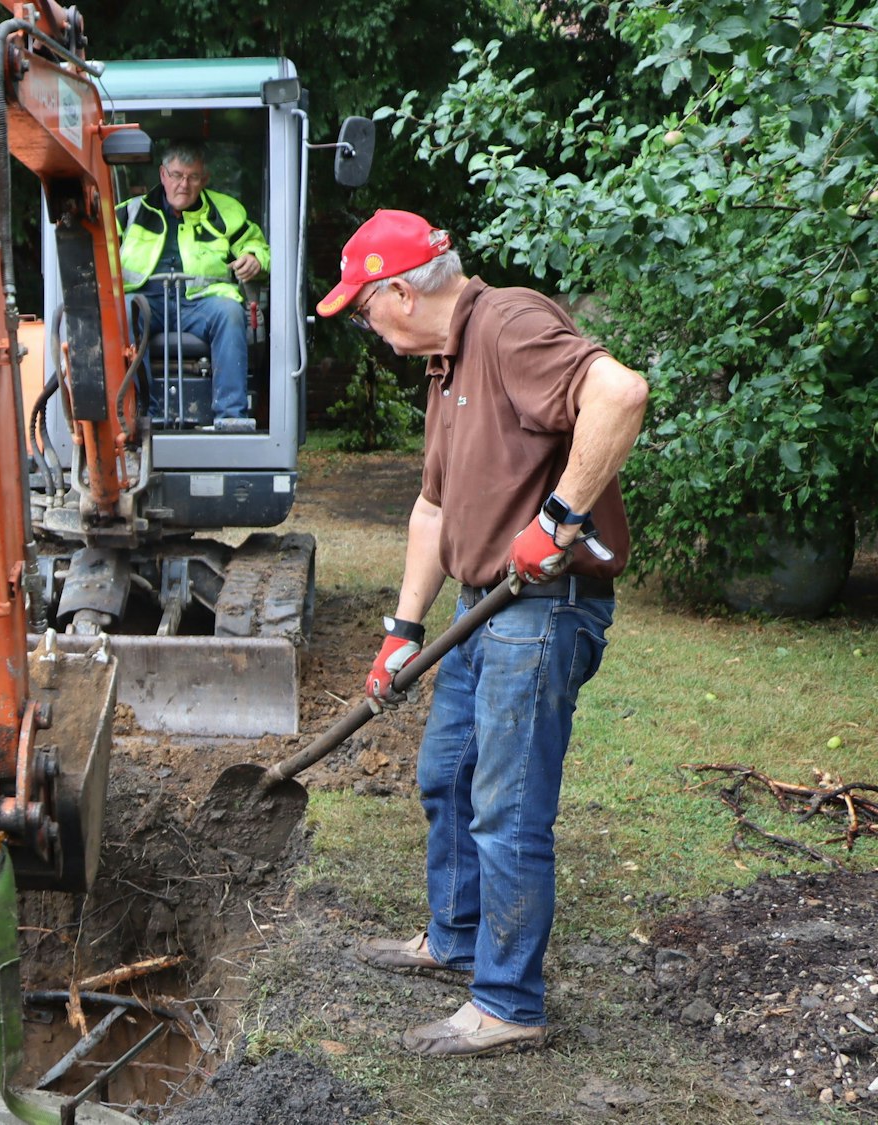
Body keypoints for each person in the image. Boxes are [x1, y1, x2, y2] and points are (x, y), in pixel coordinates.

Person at [316, 210, 648, 1058]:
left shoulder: (510, 323)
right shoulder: (446, 365)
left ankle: (507, 1002)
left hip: (540, 611)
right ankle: (457, 937)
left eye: (362, 307)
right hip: (479, 604)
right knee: (448, 773)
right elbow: (433, 507)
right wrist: (401, 630)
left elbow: (620, 393)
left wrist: (561, 518)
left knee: (506, 804)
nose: (364, 322)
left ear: (399, 290)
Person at [116, 140, 269, 431]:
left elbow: (255, 244)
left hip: (202, 303)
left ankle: (230, 416)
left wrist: (255, 258)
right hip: (148, 303)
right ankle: (143, 413)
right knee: (124, 311)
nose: (183, 185)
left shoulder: (226, 212)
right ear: (162, 175)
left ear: (204, 179)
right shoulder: (130, 213)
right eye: (176, 175)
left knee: (230, 312)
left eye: (193, 177)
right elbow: (98, 252)